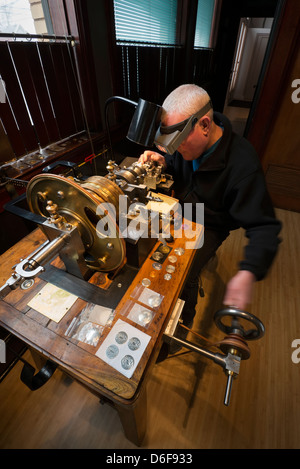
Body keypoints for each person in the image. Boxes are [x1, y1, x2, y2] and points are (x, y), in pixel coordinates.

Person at [139, 84, 281, 331]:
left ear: (204, 125)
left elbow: (264, 227)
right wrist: (164, 160)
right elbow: (176, 159)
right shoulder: (188, 145)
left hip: (212, 221)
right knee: (142, 241)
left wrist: (248, 272)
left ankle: (183, 323)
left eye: (179, 141)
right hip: (183, 207)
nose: (177, 148)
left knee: (182, 272)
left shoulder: (243, 166)